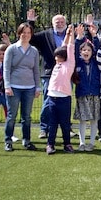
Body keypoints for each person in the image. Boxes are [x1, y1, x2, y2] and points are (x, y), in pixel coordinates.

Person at [27, 9, 69, 139]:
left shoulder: (69, 35)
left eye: (62, 21)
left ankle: (66, 128)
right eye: (57, 22)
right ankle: (44, 128)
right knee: (48, 102)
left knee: (65, 102)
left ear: (66, 23)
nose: (60, 23)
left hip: (66, 75)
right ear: (52, 23)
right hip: (49, 73)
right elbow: (31, 38)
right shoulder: (45, 35)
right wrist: (31, 22)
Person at [2, 22, 41, 151]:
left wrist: (37, 87)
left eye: (28, 33)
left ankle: (27, 140)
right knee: (12, 115)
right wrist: (7, 86)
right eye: (23, 32)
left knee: (27, 116)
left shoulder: (34, 51)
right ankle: (8, 140)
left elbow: (36, 70)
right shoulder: (11, 49)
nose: (26, 35)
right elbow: (6, 69)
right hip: (14, 87)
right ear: (19, 33)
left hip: (29, 88)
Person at [45, 25, 76, 154]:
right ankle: (50, 144)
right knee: (52, 123)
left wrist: (71, 34)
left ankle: (67, 144)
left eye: (58, 56)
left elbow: (69, 48)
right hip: (52, 98)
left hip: (64, 99)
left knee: (64, 124)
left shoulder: (69, 65)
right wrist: (67, 35)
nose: (56, 58)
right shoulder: (57, 65)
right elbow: (63, 47)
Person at [73, 25, 101, 152]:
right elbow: (73, 50)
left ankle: (91, 143)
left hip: (95, 94)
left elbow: (99, 49)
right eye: (83, 50)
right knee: (83, 120)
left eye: (88, 50)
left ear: (92, 52)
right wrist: (79, 38)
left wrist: (94, 36)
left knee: (94, 119)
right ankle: (82, 142)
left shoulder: (96, 62)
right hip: (82, 94)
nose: (86, 52)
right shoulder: (77, 62)